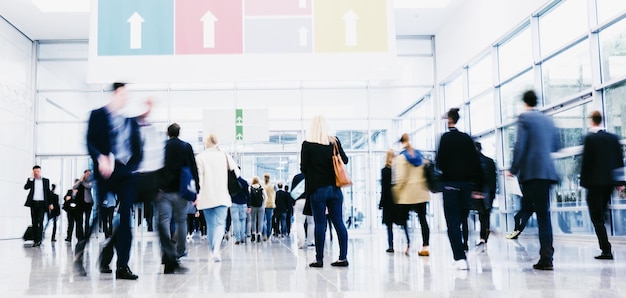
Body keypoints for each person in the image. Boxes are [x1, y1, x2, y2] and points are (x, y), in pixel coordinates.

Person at [78, 82, 143, 280]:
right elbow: (90, 141)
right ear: (116, 93)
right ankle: (80, 252)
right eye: (124, 94)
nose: (126, 99)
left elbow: (138, 151)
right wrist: (100, 158)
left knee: (125, 219)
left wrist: (131, 169)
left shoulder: (129, 122)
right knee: (98, 214)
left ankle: (122, 266)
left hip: (125, 174)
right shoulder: (97, 115)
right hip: (105, 172)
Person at [505, 90, 560, 271]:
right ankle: (547, 257)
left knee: (531, 210)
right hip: (547, 173)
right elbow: (556, 145)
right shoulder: (547, 120)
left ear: (524, 102)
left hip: (532, 174)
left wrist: (513, 169)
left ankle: (545, 258)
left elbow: (520, 145)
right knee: (544, 215)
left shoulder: (524, 118)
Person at [436, 108, 484, 270]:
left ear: (449, 119)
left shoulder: (445, 138)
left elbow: (439, 162)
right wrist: (477, 186)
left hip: (450, 184)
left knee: (453, 222)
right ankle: (464, 246)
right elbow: (476, 163)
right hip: (467, 186)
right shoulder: (466, 139)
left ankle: (460, 258)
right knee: (464, 218)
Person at [301, 114, 349, 268]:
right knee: (338, 222)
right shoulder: (334, 141)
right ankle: (343, 258)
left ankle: (319, 259)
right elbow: (345, 160)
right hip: (335, 189)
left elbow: (303, 169)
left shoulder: (307, 144)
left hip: (318, 190)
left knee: (320, 223)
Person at [580, 110, 625, 260]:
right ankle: (606, 247)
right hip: (609, 184)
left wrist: (583, 183)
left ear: (592, 121)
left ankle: (606, 250)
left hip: (594, 184)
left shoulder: (590, 139)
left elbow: (586, 162)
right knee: (602, 214)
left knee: (596, 217)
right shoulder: (613, 138)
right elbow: (619, 161)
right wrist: (619, 182)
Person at [157, 123, 199, 273]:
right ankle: (180, 252)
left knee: (164, 222)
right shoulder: (186, 147)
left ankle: (166, 252)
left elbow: (156, 167)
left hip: (163, 191)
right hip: (181, 190)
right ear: (179, 132)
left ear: (168, 133)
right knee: (181, 221)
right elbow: (193, 168)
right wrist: (197, 191)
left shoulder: (162, 147)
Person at [195, 133, 238, 262]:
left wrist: (198, 196)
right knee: (220, 223)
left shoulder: (200, 157)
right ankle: (216, 249)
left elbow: (199, 179)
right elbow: (237, 173)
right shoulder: (225, 156)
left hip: (206, 196)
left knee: (210, 225)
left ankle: (213, 249)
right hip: (222, 195)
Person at [392, 134, 431, 257]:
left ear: (401, 143)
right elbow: (427, 174)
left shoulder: (400, 158)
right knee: (423, 220)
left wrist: (396, 191)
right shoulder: (420, 156)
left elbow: (401, 178)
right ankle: (425, 246)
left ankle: (409, 244)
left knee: (404, 220)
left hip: (407, 194)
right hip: (421, 193)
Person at [472, 142, 497, 246]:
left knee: (482, 214)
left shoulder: (474, 162)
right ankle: (484, 237)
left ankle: (483, 238)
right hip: (489, 192)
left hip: (479, 192)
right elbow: (494, 179)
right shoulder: (490, 161)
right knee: (485, 215)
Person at [23, 165, 54, 247]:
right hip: (33, 203)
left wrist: (50, 203)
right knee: (34, 222)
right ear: (33, 172)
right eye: (35, 171)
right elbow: (26, 187)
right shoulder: (31, 180)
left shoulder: (46, 181)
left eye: (38, 171)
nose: (37, 173)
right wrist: (31, 178)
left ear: (40, 171)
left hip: (42, 204)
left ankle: (39, 240)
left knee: (40, 222)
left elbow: (48, 192)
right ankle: (35, 240)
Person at [291, 172, 314, 249]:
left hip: (300, 201)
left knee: (300, 222)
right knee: (311, 223)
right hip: (311, 201)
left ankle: (301, 242)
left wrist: (293, 203)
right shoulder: (313, 175)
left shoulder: (297, 177)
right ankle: (310, 242)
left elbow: (292, 192)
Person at [73, 169, 94, 240]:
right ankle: (80, 236)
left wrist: (82, 182)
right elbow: (74, 187)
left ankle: (87, 235)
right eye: (87, 174)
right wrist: (80, 180)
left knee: (87, 220)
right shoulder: (80, 181)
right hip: (80, 203)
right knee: (79, 220)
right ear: (84, 174)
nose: (89, 175)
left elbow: (88, 186)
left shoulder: (91, 182)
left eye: (90, 174)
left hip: (88, 203)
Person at [230, 175, 250, 245]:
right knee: (242, 221)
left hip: (233, 203)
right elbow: (248, 194)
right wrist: (249, 205)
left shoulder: (231, 182)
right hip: (243, 204)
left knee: (235, 222)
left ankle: (237, 238)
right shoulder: (244, 182)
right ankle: (242, 238)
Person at [249, 176, 266, 243]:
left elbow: (249, 196)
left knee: (253, 220)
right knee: (260, 221)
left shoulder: (250, 187)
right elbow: (266, 196)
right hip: (260, 206)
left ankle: (253, 234)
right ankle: (259, 234)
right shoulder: (261, 187)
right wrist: (263, 203)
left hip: (253, 206)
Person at [263, 173, 276, 241]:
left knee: (263, 220)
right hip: (270, 205)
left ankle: (264, 233)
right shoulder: (272, 186)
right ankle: (268, 234)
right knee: (269, 221)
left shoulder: (262, 186)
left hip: (263, 204)